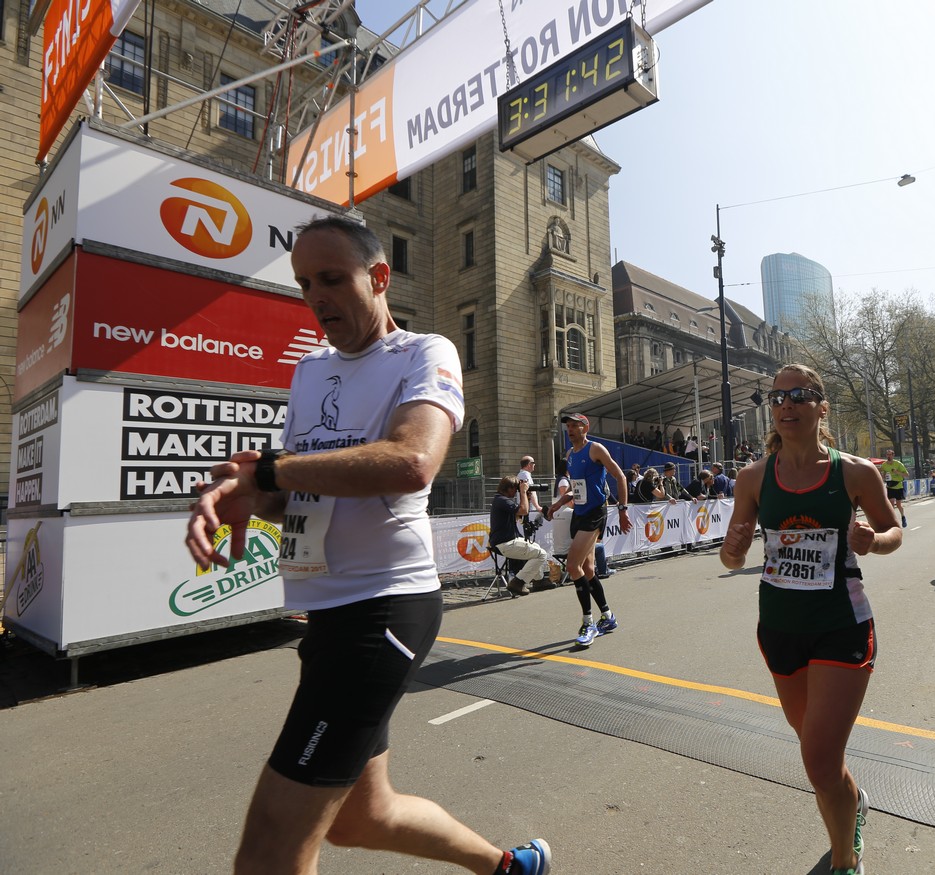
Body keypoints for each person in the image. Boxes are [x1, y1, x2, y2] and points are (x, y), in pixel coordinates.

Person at [183, 216, 550, 875]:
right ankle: (509, 867)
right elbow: (300, 487)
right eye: (304, 283)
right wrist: (255, 497)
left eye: (331, 278)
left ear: (379, 277)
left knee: (269, 849)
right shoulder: (309, 371)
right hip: (328, 612)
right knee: (362, 817)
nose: (316, 297)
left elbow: (412, 461)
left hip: (381, 608)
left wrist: (271, 471)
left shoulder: (424, 352)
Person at [720, 364, 902, 875]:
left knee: (819, 762)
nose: (786, 405)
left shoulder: (856, 473)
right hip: (779, 630)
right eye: (777, 397)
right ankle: (853, 800)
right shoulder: (753, 477)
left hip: (841, 625)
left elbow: (893, 531)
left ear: (822, 407)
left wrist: (874, 541)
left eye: (799, 395)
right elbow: (731, 558)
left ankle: (845, 860)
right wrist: (732, 550)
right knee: (820, 757)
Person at [544, 413, 632, 647]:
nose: (570, 430)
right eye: (568, 426)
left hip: (595, 513)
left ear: (585, 427)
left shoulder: (595, 449)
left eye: (575, 426)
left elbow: (620, 476)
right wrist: (558, 504)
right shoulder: (570, 455)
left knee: (573, 566)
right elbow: (576, 488)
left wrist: (623, 510)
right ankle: (608, 616)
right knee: (588, 569)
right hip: (579, 514)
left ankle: (588, 623)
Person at [490, 476, 558, 595]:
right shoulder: (502, 500)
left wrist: (525, 497)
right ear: (509, 488)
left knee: (536, 548)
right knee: (541, 554)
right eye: (516, 488)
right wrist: (522, 492)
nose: (516, 491)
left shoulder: (500, 499)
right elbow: (524, 510)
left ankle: (539, 581)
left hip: (506, 541)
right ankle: (517, 582)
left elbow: (519, 516)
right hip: (505, 543)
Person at [882, 449, 910, 528]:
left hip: (898, 486)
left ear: (893, 455)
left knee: (898, 505)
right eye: (887, 454)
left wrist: (897, 472)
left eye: (890, 454)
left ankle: (903, 517)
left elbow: (906, 474)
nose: (888, 456)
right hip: (890, 486)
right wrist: (883, 476)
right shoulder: (884, 465)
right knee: (891, 504)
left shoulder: (898, 464)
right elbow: (883, 474)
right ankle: (893, 521)